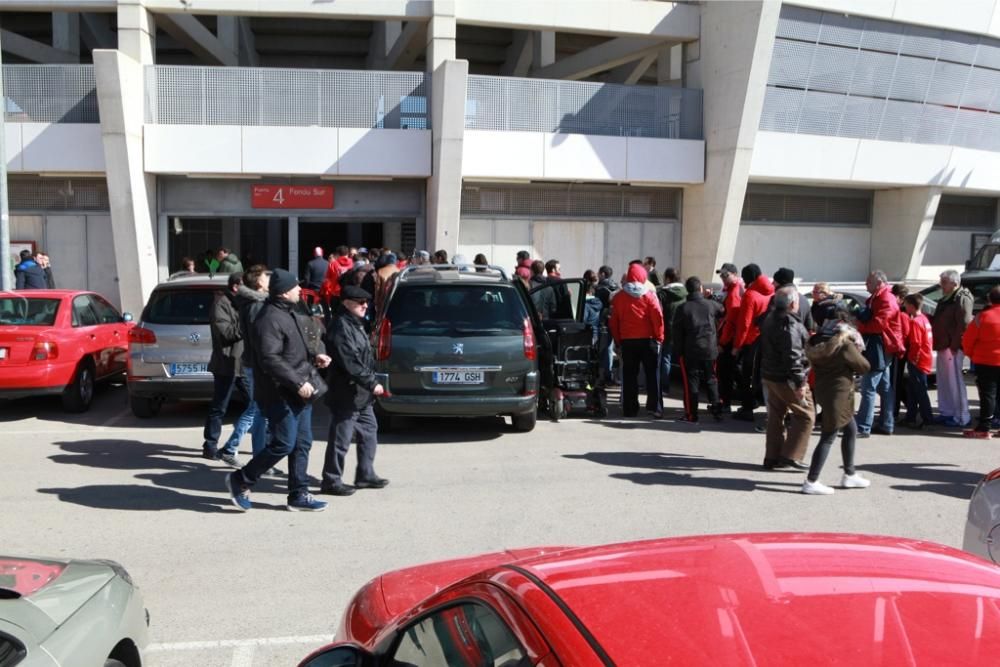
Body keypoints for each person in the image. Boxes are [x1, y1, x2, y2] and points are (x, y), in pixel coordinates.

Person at [225, 269, 330, 512]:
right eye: (295, 287)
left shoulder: (289, 312)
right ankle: (241, 479)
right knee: (284, 443)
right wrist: (296, 382)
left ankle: (298, 494)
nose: (299, 290)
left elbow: (296, 347)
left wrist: (316, 356)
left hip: (300, 388)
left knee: (302, 442)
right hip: (279, 392)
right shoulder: (268, 318)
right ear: (284, 292)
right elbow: (269, 359)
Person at [321, 285, 389, 495]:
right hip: (346, 392)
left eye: (366, 302)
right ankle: (331, 481)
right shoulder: (341, 326)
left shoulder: (355, 323)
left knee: (369, 431)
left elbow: (363, 356)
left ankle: (365, 474)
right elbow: (349, 361)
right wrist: (372, 382)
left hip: (360, 394)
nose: (365, 306)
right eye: (361, 303)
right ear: (347, 303)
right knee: (341, 439)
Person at [802, 310, 871, 494]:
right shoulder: (844, 345)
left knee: (851, 429)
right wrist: (856, 348)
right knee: (828, 437)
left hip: (825, 391)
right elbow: (864, 366)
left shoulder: (815, 342)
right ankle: (811, 480)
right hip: (839, 395)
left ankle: (850, 474)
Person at [214, 266, 270, 468]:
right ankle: (234, 449)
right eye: (266, 276)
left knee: (258, 409)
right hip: (253, 363)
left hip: (252, 362)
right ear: (259, 282)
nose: (269, 280)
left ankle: (243, 451)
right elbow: (257, 335)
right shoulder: (254, 305)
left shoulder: (257, 302)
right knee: (257, 409)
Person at [759, 286, 814, 470]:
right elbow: (792, 356)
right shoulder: (789, 324)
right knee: (806, 415)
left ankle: (772, 457)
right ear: (792, 303)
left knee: (776, 415)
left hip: (771, 375)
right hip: (786, 378)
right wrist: (799, 382)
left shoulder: (770, 318)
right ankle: (791, 456)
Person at [202, 272, 251, 461]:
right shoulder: (221, 304)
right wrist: (247, 323)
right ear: (236, 287)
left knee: (256, 405)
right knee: (219, 407)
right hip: (226, 363)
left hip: (246, 363)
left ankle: (254, 442)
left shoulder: (246, 303)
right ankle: (210, 445)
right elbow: (227, 333)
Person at [610, 263, 664, 418]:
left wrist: (618, 341)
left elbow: (614, 322)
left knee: (629, 376)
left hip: (627, 341)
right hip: (649, 340)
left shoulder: (619, 297)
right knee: (652, 375)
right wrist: (660, 337)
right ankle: (653, 407)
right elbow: (657, 318)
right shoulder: (649, 295)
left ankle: (630, 408)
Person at [855, 270, 904, 437]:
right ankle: (886, 424)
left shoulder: (885, 298)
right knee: (884, 387)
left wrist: (859, 326)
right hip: (883, 345)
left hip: (881, 346)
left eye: (868, 282)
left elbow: (878, 325)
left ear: (878, 283)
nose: (865, 285)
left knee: (868, 387)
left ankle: (863, 427)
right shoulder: (879, 297)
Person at [672, 276, 724, 422]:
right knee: (711, 379)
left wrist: (679, 351)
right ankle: (717, 409)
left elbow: (677, 333)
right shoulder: (711, 305)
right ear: (700, 288)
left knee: (691, 383)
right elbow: (724, 312)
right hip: (709, 348)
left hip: (690, 350)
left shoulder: (683, 308)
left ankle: (692, 414)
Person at [732, 263, 774, 421]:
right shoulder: (771, 292)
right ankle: (757, 400)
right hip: (765, 339)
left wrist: (737, 345)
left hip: (750, 341)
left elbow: (744, 324)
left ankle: (747, 408)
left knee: (745, 375)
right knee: (759, 375)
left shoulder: (750, 295)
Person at [933, 269, 974, 428]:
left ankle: (961, 416)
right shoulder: (948, 297)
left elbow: (963, 324)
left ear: (954, 283)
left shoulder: (961, 298)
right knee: (944, 382)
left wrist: (955, 345)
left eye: (944, 282)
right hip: (944, 345)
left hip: (952, 347)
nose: (941, 285)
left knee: (955, 382)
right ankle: (947, 412)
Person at [962, 286, 1000, 438]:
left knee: (988, 395)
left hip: (986, 361)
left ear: (990, 299)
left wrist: (972, 355)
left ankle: (984, 428)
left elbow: (968, 340)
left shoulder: (982, 317)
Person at [900, 293, 934, 429]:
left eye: (906, 305)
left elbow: (916, 343)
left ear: (912, 306)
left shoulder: (915, 322)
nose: (904, 307)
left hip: (918, 360)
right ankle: (911, 417)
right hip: (925, 358)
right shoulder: (924, 319)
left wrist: (913, 359)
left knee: (920, 391)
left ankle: (928, 419)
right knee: (913, 389)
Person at [716, 263, 744, 412]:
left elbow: (731, 321)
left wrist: (722, 341)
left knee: (725, 371)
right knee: (732, 371)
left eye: (726, 275)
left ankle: (725, 403)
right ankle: (747, 401)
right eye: (721, 275)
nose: (723, 278)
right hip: (732, 337)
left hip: (729, 338)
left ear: (734, 274)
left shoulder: (734, 292)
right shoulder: (732, 289)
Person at [656, 269, 687, 395]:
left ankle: (664, 387)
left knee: (665, 359)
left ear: (668, 278)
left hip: (667, 330)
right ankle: (686, 388)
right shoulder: (686, 292)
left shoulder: (663, 293)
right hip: (683, 331)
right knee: (682, 360)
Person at [595, 266, 618, 385]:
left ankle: (599, 375)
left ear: (603, 274)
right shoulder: (616, 287)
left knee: (600, 347)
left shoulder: (599, 288)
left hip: (601, 321)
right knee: (609, 348)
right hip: (613, 321)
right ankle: (608, 374)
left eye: (599, 273)